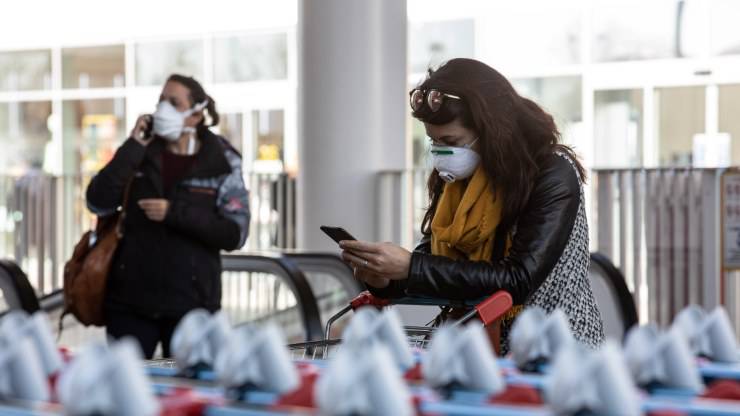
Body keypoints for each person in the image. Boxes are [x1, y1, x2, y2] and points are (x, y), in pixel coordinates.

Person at [340, 58, 604, 352]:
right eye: (433, 141)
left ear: (491, 129)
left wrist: (411, 266)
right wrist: (386, 279)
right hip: (476, 351)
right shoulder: (459, 177)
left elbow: (517, 278)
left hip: (556, 354)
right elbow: (441, 264)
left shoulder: (552, 174)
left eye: (450, 140)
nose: (440, 152)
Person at [86, 74, 250, 358]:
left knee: (193, 392)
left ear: (196, 114)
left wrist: (174, 213)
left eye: (174, 102)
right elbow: (98, 201)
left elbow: (235, 233)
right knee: (130, 391)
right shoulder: (140, 151)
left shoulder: (221, 160)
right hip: (131, 304)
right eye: (161, 100)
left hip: (193, 308)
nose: (163, 109)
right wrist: (133, 145)